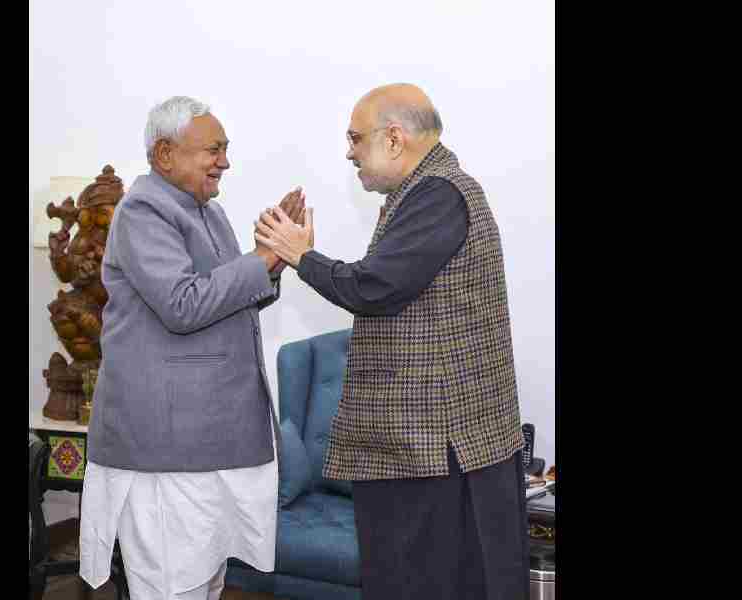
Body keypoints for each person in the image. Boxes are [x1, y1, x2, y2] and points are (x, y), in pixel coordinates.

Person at [254, 83, 529, 600]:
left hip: (433, 452)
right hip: (424, 450)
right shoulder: (427, 193)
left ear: (395, 138)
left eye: (356, 138)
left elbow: (374, 287)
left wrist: (300, 256)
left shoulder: (440, 193)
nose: (349, 152)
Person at [79, 95, 304, 600]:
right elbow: (182, 305)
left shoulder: (209, 212)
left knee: (205, 579)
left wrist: (275, 261)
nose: (224, 161)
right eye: (214, 149)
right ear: (165, 154)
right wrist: (262, 259)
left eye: (225, 149)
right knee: (169, 586)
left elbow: (224, 301)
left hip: (209, 438)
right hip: (166, 445)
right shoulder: (142, 212)